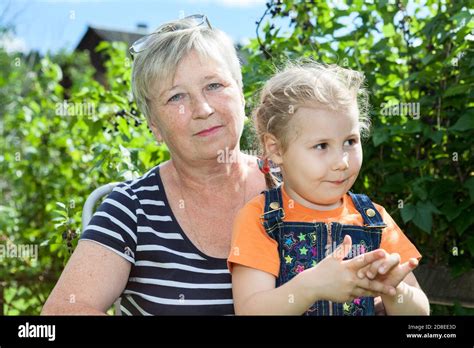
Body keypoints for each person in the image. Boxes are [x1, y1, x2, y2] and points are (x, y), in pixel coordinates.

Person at [41, 14, 269, 315]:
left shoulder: (295, 184)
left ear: (241, 94)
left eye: (214, 85)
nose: (202, 109)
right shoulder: (132, 209)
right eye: (176, 97)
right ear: (155, 127)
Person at [228, 61, 430, 315]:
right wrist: (310, 287)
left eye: (350, 141)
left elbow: (420, 313)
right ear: (276, 149)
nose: (342, 162)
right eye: (322, 145)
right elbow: (251, 310)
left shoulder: (374, 220)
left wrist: (395, 290)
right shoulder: (261, 219)